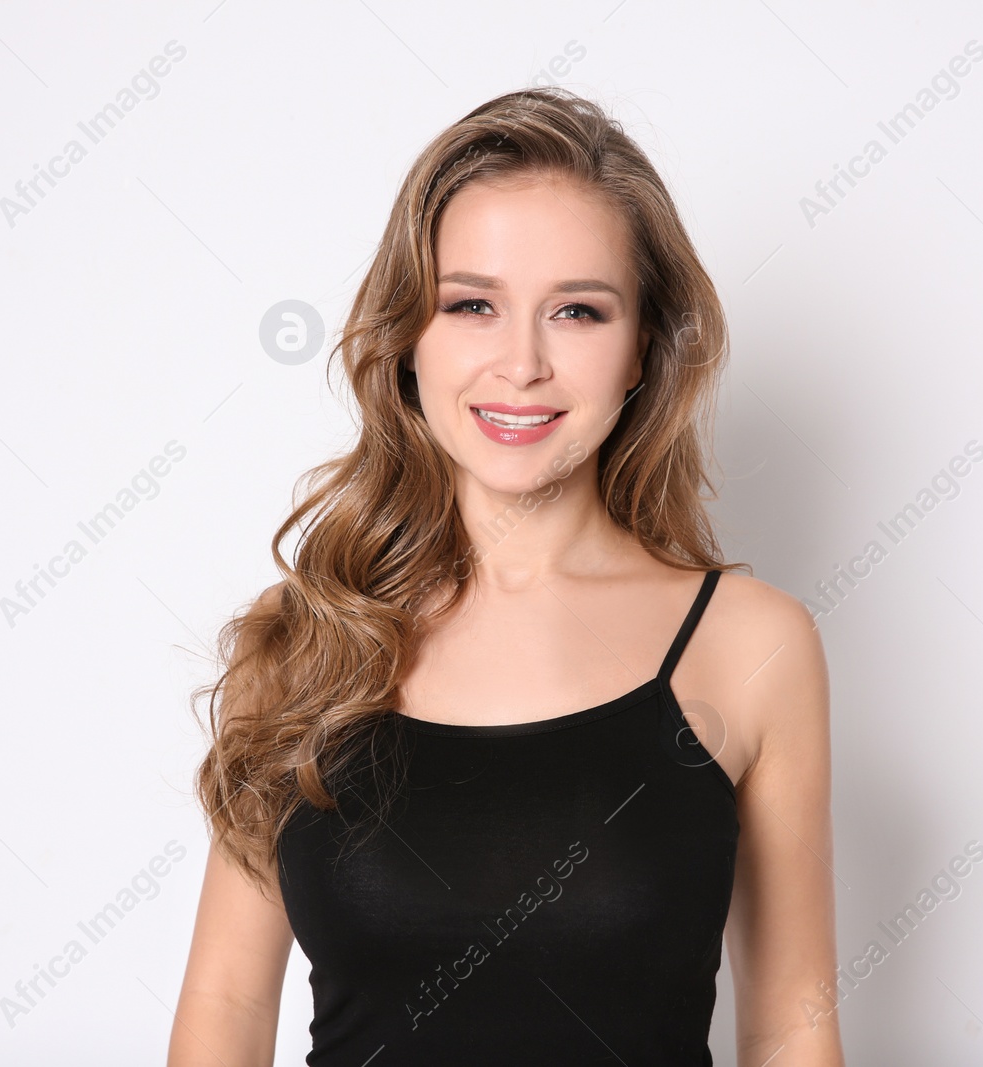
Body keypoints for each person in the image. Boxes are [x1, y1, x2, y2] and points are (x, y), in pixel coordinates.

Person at [168, 87, 842, 1067]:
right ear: (408, 336)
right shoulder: (306, 637)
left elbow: (792, 1022)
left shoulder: (752, 644)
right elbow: (226, 1001)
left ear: (642, 350)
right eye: (471, 304)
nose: (520, 363)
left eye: (577, 310)